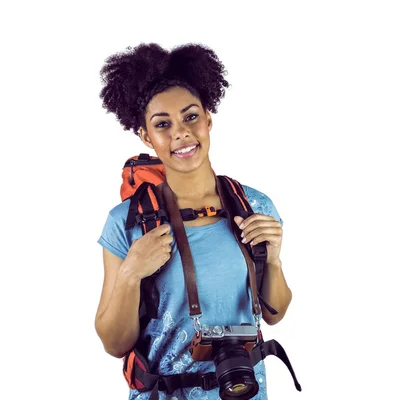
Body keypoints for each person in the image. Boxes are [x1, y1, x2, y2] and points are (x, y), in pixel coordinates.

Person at [94, 43, 293, 400]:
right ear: (145, 136)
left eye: (190, 117)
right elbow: (113, 342)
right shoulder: (126, 222)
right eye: (162, 125)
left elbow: (274, 314)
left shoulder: (253, 205)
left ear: (208, 118)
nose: (180, 133)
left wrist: (274, 260)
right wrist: (130, 273)